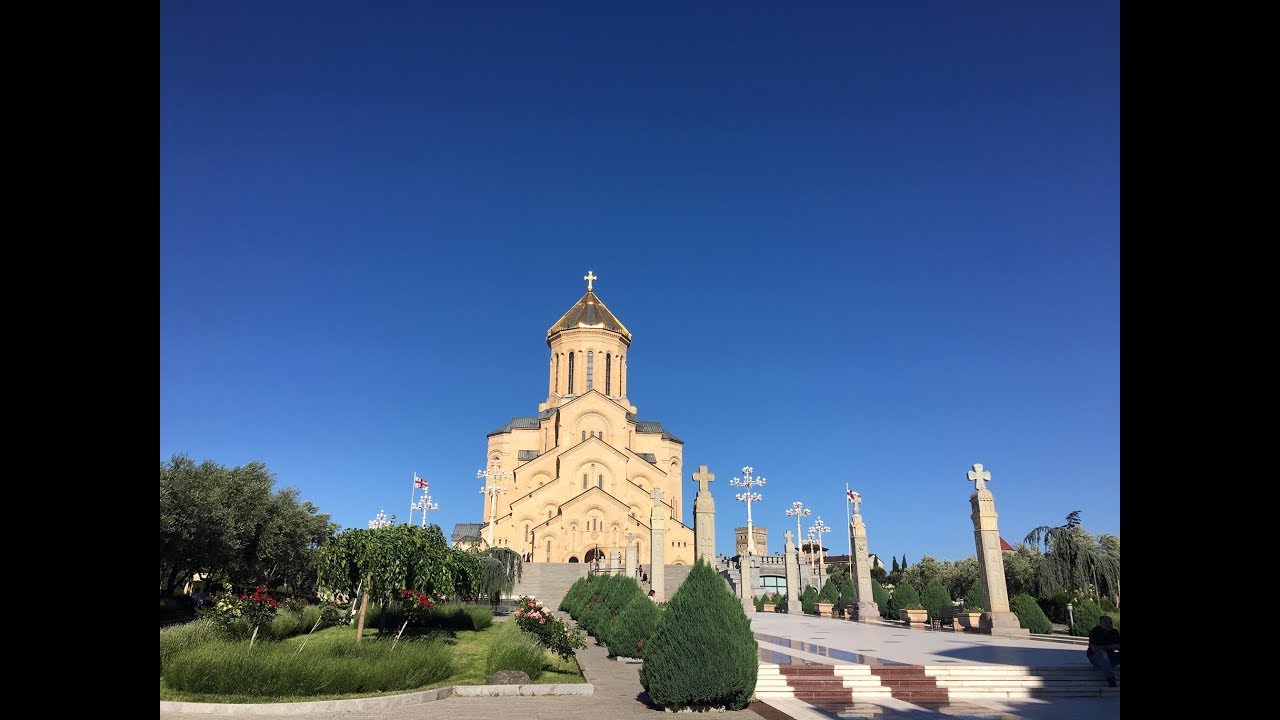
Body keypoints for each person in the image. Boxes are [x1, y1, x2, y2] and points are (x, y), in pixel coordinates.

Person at [1086, 614, 1121, 686]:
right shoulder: (1095, 632)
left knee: (1104, 654)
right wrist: (1111, 646)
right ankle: (1110, 678)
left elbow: (1118, 646)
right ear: (1100, 624)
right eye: (1106, 622)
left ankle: (1107, 666)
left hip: (1110, 657)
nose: (1109, 624)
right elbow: (1095, 649)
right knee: (1102, 653)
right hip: (1095, 658)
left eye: (1110, 623)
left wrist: (1103, 646)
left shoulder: (1114, 632)